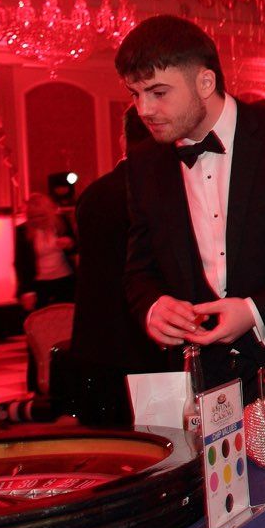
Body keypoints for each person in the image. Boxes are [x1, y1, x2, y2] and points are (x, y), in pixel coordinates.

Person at [119, 15, 265, 402]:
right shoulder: (144, 162)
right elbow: (138, 269)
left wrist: (255, 311)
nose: (143, 109)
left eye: (158, 92)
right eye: (135, 94)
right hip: (199, 384)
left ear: (206, 82)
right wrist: (154, 308)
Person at [66, 107, 164, 427]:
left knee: (110, 445)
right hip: (145, 342)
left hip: (96, 339)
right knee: (159, 442)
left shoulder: (92, 194)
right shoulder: (160, 192)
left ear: (122, 139)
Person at [13, 192, 76, 312]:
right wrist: (27, 291)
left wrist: (70, 243)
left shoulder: (62, 223)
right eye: (33, 217)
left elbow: (77, 247)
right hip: (39, 284)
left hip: (66, 280)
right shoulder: (22, 231)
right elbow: (20, 263)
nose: (37, 220)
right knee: (41, 321)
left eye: (41, 215)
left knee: (66, 319)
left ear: (50, 213)